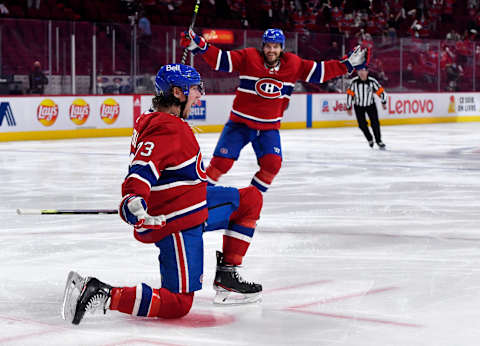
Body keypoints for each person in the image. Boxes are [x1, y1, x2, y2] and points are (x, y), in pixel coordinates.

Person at [62, 64, 263, 325]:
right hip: (177, 220)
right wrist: (133, 199)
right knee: (178, 304)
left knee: (249, 199)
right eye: (195, 89)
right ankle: (100, 293)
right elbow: (143, 169)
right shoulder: (168, 127)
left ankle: (227, 277)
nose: (199, 95)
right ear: (178, 93)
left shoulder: (161, 119)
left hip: (194, 202)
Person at [180, 28, 369, 193]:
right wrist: (200, 45)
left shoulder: (293, 64)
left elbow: (320, 72)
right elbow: (221, 60)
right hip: (239, 124)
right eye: (268, 46)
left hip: (268, 129)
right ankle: (197, 199)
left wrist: (347, 65)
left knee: (272, 166)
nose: (271, 50)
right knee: (220, 164)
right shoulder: (248, 57)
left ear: (282, 48)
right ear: (263, 46)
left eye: (276, 46)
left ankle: (251, 199)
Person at [346, 66, 387, 149]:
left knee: (375, 123)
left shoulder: (372, 81)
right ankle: (369, 139)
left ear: (367, 72)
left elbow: (381, 92)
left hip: (370, 105)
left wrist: (383, 101)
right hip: (358, 106)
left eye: (363, 71)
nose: (361, 72)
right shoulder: (354, 82)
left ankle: (378, 141)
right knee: (361, 125)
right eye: (359, 71)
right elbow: (350, 94)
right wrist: (348, 107)